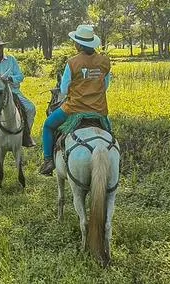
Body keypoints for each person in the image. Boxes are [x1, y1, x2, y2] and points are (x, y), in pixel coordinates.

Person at [38, 25, 112, 176]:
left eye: (75, 42)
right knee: (110, 134)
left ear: (79, 44)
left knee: (48, 126)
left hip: (74, 109)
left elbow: (64, 89)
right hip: (99, 110)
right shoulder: (104, 61)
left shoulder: (72, 62)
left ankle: (48, 161)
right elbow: (106, 86)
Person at [0, 34, 36, 152]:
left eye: (0, 47)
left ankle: (26, 135)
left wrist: (11, 79)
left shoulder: (11, 60)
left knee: (30, 108)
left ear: (3, 47)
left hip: (13, 92)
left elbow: (20, 76)